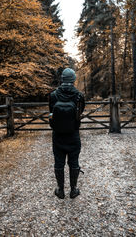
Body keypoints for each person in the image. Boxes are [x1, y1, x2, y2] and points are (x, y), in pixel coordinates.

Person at [49, 68, 85, 199]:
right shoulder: (79, 96)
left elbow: (51, 113)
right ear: (74, 80)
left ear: (62, 79)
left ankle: (60, 190)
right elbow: (80, 112)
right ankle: (73, 190)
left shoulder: (53, 95)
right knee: (74, 162)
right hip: (73, 134)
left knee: (59, 163)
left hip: (57, 135)